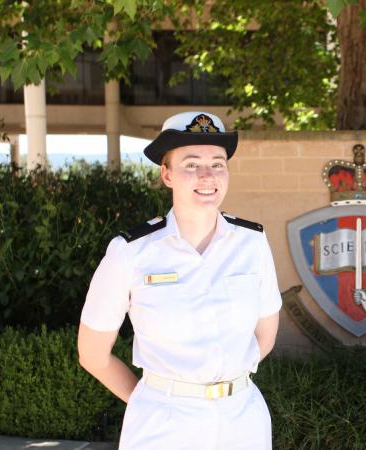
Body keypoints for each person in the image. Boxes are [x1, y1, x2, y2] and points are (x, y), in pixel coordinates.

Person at [77, 111, 282, 450]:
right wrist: (153, 400)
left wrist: (224, 382)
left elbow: (266, 334)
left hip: (243, 418)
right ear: (167, 174)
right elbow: (92, 355)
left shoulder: (252, 243)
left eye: (218, 163)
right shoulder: (131, 252)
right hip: (163, 424)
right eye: (191, 164)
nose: (207, 174)